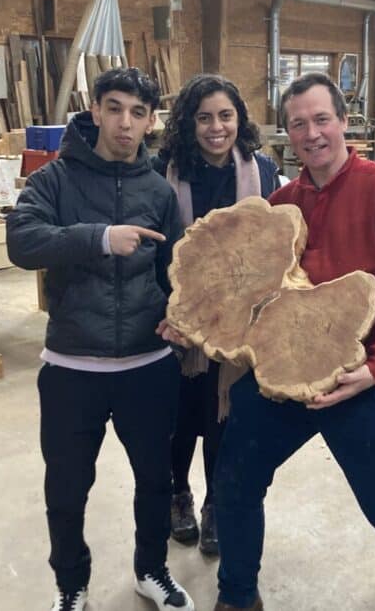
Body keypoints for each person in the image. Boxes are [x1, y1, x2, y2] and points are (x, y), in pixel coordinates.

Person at [205, 73, 375, 611]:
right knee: (235, 481)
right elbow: (256, 292)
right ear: (286, 134)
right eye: (298, 124)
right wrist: (204, 322)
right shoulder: (281, 204)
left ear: (343, 122)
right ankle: (237, 596)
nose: (312, 133)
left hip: (361, 377)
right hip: (281, 375)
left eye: (321, 119)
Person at [7, 67, 195, 611]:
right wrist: (99, 238)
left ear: (151, 121)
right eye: (114, 108)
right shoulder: (55, 180)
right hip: (72, 367)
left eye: (138, 112)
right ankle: (71, 586)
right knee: (67, 491)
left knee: (155, 483)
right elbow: (21, 241)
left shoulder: (159, 192)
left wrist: (180, 320)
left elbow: (174, 274)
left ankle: (151, 570)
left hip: (147, 364)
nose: (125, 123)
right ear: (95, 111)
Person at [154, 73, 282, 557]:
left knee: (223, 418)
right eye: (203, 117)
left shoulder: (263, 172)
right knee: (179, 420)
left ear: (239, 120)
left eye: (225, 116)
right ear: (187, 122)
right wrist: (171, 311)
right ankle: (178, 494)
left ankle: (214, 506)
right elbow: (154, 248)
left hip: (237, 323)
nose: (215, 127)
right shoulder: (161, 171)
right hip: (178, 320)